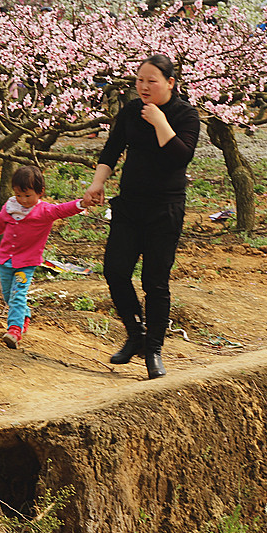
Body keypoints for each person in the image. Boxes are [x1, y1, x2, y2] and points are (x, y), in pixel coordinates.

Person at [82, 55, 200, 380]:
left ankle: (154, 350)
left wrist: (160, 120)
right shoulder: (131, 111)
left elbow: (180, 156)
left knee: (155, 282)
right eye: (139, 80)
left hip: (165, 209)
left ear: (171, 83)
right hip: (130, 205)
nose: (144, 87)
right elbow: (112, 149)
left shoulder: (185, 115)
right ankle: (135, 335)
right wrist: (97, 183)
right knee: (115, 271)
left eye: (152, 81)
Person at [0, 165, 85, 348]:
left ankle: (14, 330)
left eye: (27, 195)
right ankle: (25, 316)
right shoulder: (10, 207)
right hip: (5, 260)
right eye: (18, 195)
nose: (22, 200)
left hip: (26, 263)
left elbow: (62, 210)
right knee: (8, 295)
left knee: (17, 294)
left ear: (40, 192)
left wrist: (81, 204)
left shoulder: (44, 211)